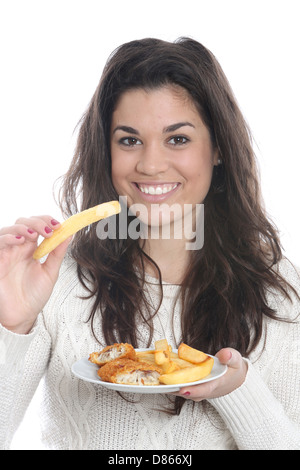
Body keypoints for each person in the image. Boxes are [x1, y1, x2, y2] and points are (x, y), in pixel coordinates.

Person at [0, 37, 299, 451]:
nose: (151, 164)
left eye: (177, 139)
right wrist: (12, 326)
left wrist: (238, 388)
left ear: (217, 149)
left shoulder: (275, 288)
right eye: (129, 139)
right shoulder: (56, 281)